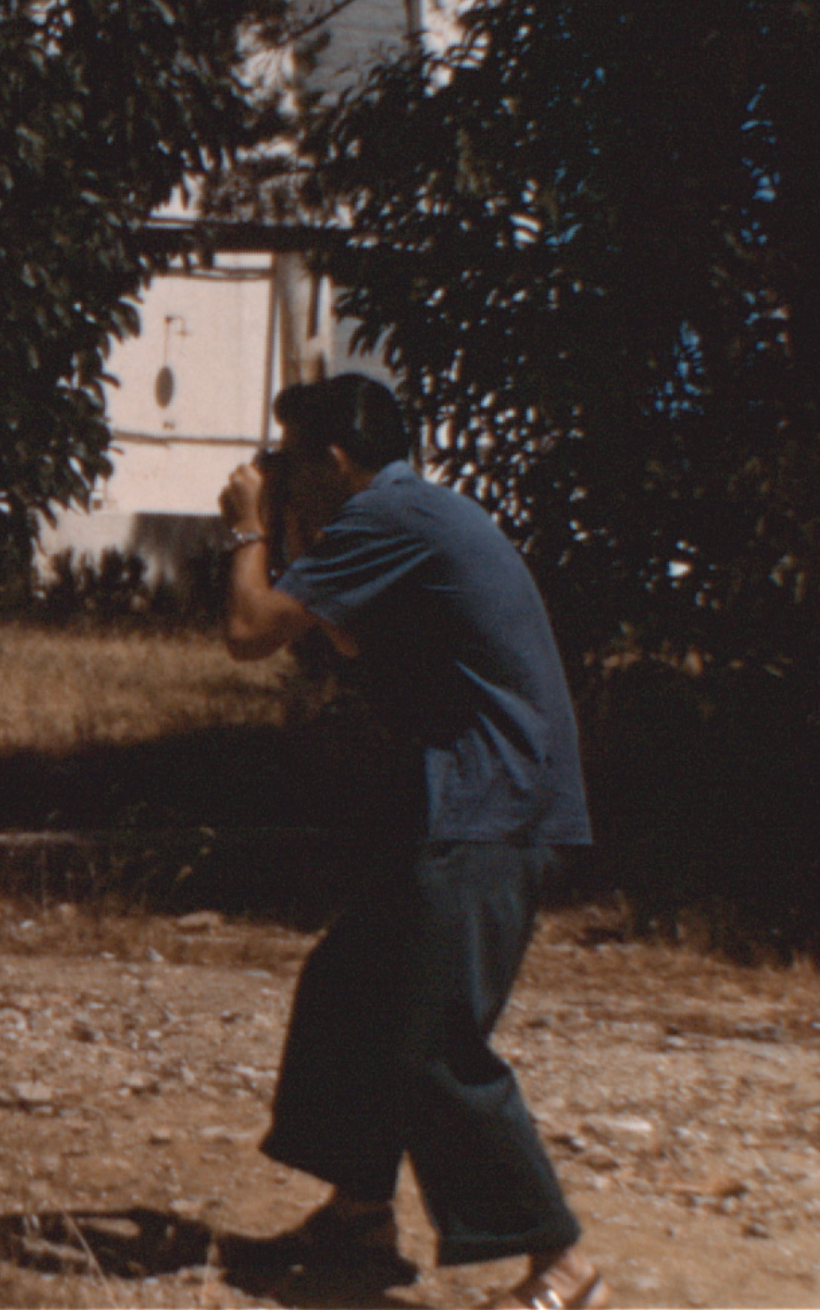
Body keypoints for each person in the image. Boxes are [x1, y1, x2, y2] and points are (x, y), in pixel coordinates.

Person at [214, 374, 606, 1309]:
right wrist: (292, 524)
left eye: (289, 460)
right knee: (351, 982)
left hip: (488, 807)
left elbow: (250, 629)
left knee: (432, 1037)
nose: (277, 475)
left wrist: (245, 525)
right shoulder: (400, 517)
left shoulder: (389, 516)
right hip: (464, 801)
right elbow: (337, 640)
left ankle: (562, 1262)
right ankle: (360, 1212)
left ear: (335, 460)